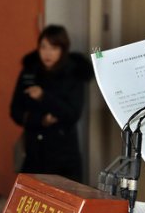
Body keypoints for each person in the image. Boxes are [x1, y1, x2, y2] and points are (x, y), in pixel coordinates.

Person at [10, 25, 93, 182]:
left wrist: (43, 97)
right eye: (43, 47)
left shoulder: (74, 73)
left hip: (64, 154)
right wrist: (40, 120)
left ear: (63, 49)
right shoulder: (30, 71)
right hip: (33, 151)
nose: (47, 53)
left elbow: (73, 113)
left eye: (53, 48)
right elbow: (15, 111)